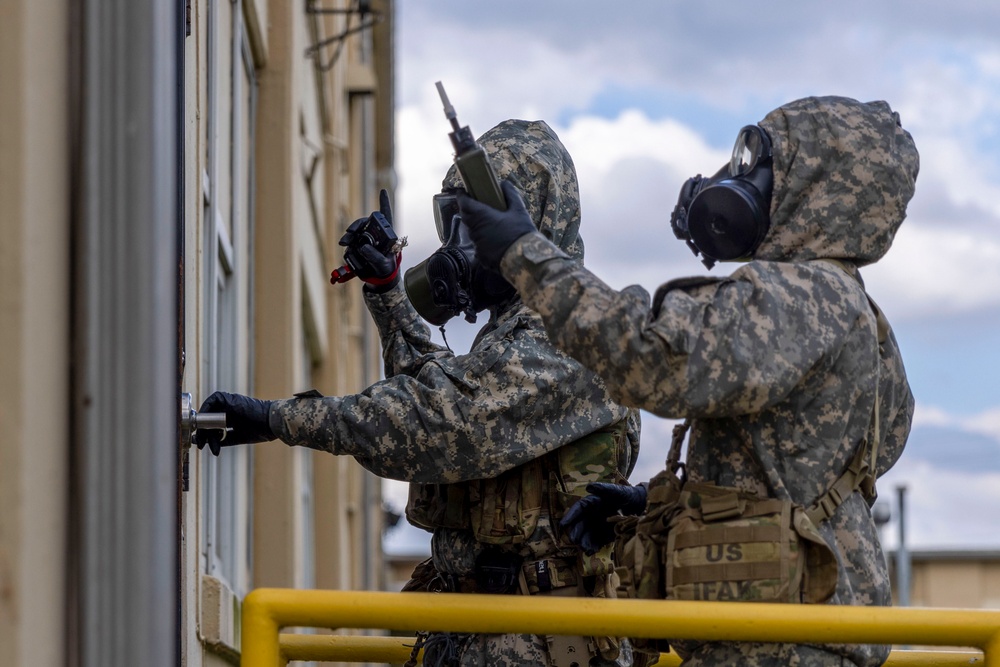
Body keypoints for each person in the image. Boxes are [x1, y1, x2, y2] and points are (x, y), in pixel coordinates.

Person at [456, 96, 918, 667]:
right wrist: (654, 504)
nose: (740, 178)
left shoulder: (795, 296)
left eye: (762, 165)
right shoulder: (860, 315)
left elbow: (653, 362)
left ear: (815, 183)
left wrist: (525, 255)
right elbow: (803, 470)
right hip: (802, 635)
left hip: (777, 647)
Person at [197, 119, 641, 667]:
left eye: (476, 223)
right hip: (476, 634)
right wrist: (388, 294)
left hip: (548, 642)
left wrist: (277, 419)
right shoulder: (513, 337)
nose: (460, 244)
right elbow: (450, 399)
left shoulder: (576, 336)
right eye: (453, 222)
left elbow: (440, 424)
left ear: (535, 224)